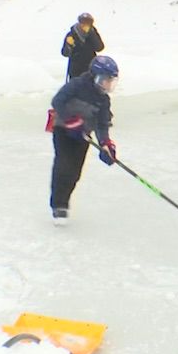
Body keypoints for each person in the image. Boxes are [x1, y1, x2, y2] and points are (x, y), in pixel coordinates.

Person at [48, 55, 119, 221]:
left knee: (75, 172)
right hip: (63, 130)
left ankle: (64, 200)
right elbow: (57, 101)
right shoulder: (76, 85)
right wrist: (70, 120)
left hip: (83, 136)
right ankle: (59, 205)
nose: (108, 84)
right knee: (64, 166)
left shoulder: (103, 100)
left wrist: (105, 143)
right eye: (106, 80)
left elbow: (102, 124)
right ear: (95, 77)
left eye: (111, 81)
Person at [61, 12, 105, 81]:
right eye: (83, 23)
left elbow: (99, 48)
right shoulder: (71, 34)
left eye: (87, 24)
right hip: (75, 70)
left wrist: (92, 35)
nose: (84, 26)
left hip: (90, 69)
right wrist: (68, 45)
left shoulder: (93, 33)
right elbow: (65, 53)